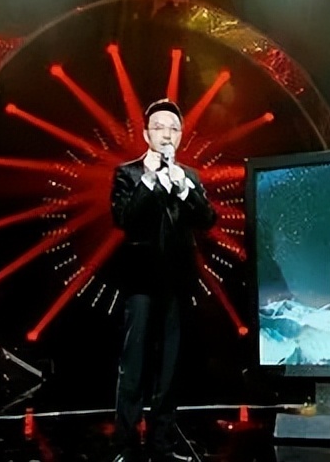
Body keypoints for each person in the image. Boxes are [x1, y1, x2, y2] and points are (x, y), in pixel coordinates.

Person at [109, 98, 216, 462]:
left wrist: (184, 189)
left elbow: (207, 220)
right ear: (146, 134)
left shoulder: (189, 176)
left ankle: (162, 442)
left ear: (181, 136)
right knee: (134, 365)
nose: (167, 134)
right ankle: (125, 444)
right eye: (159, 127)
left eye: (173, 128)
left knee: (170, 367)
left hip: (177, 283)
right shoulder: (128, 174)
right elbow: (125, 219)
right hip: (140, 282)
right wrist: (151, 181)